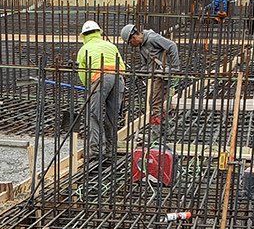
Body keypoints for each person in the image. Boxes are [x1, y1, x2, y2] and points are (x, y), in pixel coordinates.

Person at [77, 19, 124, 158]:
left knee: (94, 115)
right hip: (118, 78)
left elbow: (83, 72)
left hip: (100, 78)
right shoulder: (111, 45)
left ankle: (96, 151)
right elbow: (122, 66)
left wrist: (89, 85)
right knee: (112, 116)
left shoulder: (84, 49)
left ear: (84, 35)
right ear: (99, 33)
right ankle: (110, 149)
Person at [120, 23, 181, 125]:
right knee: (155, 102)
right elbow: (146, 66)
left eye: (130, 42)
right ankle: (163, 123)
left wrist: (174, 68)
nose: (131, 45)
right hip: (155, 74)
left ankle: (157, 128)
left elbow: (172, 46)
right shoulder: (141, 46)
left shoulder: (152, 38)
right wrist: (140, 73)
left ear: (134, 37)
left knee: (155, 102)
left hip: (161, 74)